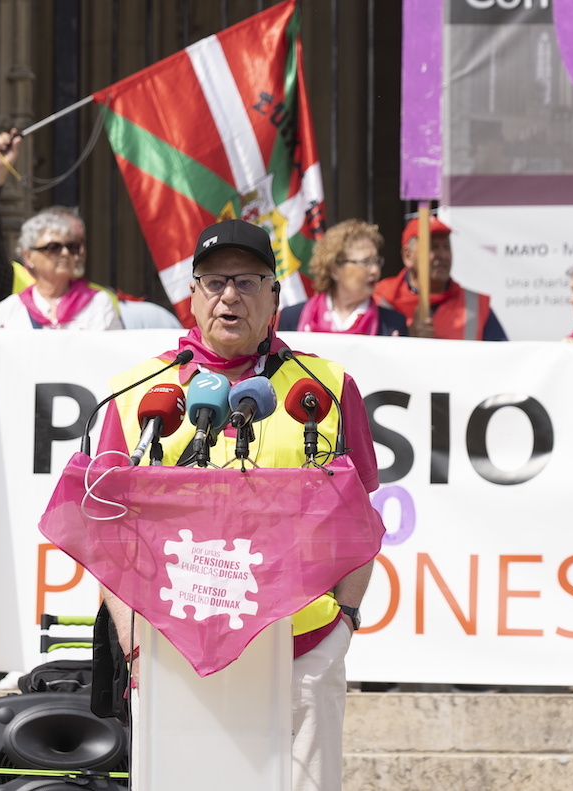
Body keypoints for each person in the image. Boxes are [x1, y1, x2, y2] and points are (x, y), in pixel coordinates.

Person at [95, 219, 378, 791]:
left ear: (275, 296)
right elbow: (107, 531)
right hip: (170, 653)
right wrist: (133, 643)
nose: (230, 296)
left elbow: (360, 520)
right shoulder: (137, 395)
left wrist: (342, 626)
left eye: (248, 282)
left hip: (301, 648)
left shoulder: (324, 388)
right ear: (192, 296)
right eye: (215, 281)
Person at [0, 128, 137, 330]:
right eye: (54, 247)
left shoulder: (100, 301)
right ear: (28, 256)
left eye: (75, 245)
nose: (74, 253)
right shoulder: (12, 289)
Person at [375, 215, 507, 340]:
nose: (443, 255)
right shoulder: (381, 300)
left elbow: (502, 358)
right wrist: (409, 337)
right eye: (433, 247)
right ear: (408, 255)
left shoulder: (475, 305)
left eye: (446, 247)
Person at [277, 219, 408, 336]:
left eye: (376, 261)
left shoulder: (392, 325)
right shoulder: (292, 318)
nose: (375, 270)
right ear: (335, 268)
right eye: (366, 262)